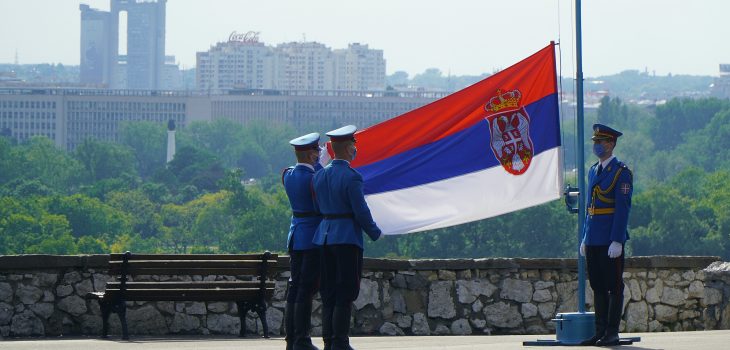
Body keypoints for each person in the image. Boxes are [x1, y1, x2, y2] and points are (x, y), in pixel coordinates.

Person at [311, 125, 382, 350]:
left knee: (329, 292)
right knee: (346, 291)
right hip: (346, 238)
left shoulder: (320, 175)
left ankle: (329, 341)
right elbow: (360, 211)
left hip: (323, 237)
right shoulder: (352, 177)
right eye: (353, 145)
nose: (355, 149)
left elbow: (317, 206)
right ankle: (340, 342)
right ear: (347, 147)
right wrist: (374, 232)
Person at [579, 124, 633, 347]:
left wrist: (617, 240)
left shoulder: (622, 172)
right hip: (593, 238)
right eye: (595, 142)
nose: (596, 145)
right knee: (598, 287)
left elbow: (622, 209)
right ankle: (599, 331)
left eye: (600, 142)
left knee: (614, 286)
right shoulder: (593, 170)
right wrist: (584, 236)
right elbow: (589, 207)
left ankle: (612, 332)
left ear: (611, 144)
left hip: (610, 239)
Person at [282, 132, 324, 350]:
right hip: (311, 238)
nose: (319, 154)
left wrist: (315, 164)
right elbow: (320, 204)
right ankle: (302, 339)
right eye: (316, 151)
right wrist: (319, 166)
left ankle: (292, 339)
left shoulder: (288, 175)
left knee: (295, 288)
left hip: (296, 236)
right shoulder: (314, 178)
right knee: (305, 289)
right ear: (310, 154)